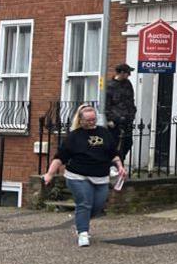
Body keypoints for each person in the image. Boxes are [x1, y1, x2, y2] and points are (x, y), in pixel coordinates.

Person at [42, 104, 128, 247]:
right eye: (88, 120)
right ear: (81, 120)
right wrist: (50, 174)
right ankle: (83, 233)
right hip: (78, 176)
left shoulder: (104, 133)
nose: (91, 122)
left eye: (93, 119)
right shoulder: (74, 136)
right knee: (85, 202)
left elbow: (113, 154)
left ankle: (80, 222)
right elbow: (60, 157)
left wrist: (120, 167)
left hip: (101, 176)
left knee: (98, 206)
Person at [105, 63, 136, 161]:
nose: (129, 75)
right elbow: (106, 104)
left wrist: (132, 114)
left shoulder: (128, 84)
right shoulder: (109, 86)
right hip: (115, 121)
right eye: (128, 73)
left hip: (127, 119)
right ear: (122, 73)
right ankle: (116, 165)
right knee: (115, 144)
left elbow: (131, 100)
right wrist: (109, 119)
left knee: (128, 143)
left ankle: (120, 161)